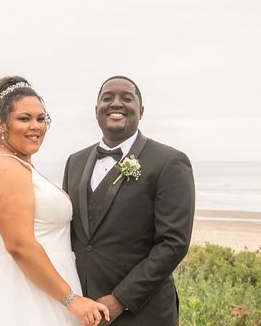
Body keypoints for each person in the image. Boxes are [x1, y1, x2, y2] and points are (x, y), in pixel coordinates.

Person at [0, 76, 109, 326]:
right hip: (20, 294)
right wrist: (71, 300)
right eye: (24, 118)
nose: (36, 126)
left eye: (41, 118)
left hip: (44, 287)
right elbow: (20, 245)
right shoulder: (4, 168)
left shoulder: (20, 165)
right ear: (1, 124)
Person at [63, 76, 195, 325]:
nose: (116, 103)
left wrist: (120, 299)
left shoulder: (169, 162)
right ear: (96, 111)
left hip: (143, 311)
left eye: (126, 98)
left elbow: (173, 243)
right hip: (85, 310)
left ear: (141, 111)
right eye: (107, 98)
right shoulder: (75, 161)